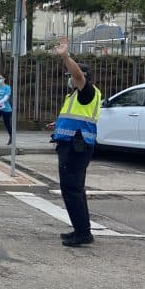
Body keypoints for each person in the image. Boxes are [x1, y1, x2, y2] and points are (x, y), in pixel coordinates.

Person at [48, 38, 101, 247]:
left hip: (76, 148)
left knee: (72, 189)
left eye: (71, 76)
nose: (70, 79)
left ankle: (83, 233)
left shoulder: (86, 92)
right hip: (72, 145)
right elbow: (75, 118)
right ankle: (80, 229)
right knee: (73, 189)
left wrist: (65, 56)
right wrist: (58, 124)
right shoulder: (76, 96)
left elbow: (78, 76)